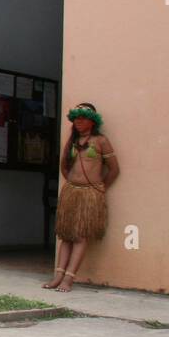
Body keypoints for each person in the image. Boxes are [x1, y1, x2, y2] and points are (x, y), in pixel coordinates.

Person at [42, 103, 118, 291]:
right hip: (71, 192)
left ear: (92, 122)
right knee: (66, 235)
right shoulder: (72, 141)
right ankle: (57, 276)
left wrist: (100, 189)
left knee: (81, 236)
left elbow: (114, 169)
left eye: (82, 118)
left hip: (90, 194)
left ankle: (69, 279)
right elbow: (64, 166)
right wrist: (72, 182)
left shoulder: (101, 141)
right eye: (75, 118)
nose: (78, 122)